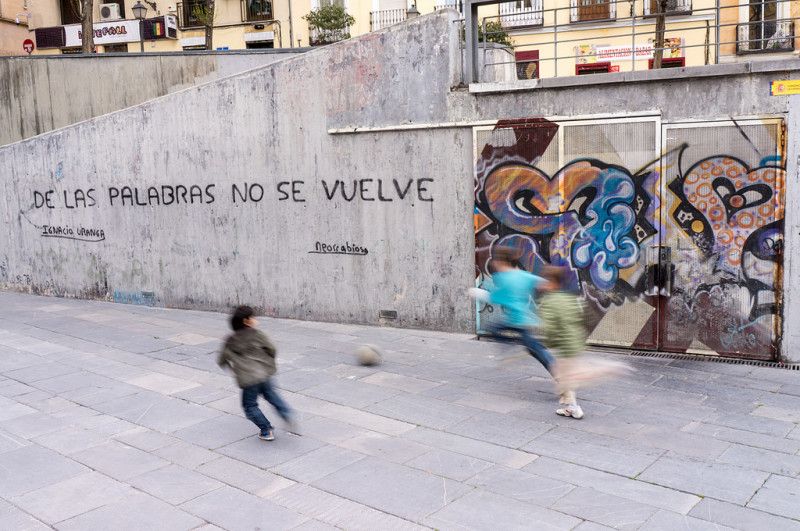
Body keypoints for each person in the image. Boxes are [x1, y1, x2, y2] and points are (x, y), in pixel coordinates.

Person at [218, 305, 297, 441]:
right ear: (246, 321)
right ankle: (286, 413)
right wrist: (267, 360)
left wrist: (234, 370)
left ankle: (266, 430)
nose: (255, 319)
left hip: (248, 379)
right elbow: (272, 349)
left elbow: (221, 361)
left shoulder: (230, 341)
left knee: (249, 406)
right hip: (264, 374)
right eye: (253, 317)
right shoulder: (257, 334)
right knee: (272, 396)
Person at [471, 247, 555, 374]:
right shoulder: (523, 275)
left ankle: (516, 348)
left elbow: (495, 297)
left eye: (496, 263)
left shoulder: (503, 278)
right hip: (522, 320)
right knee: (533, 347)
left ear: (500, 262)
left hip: (517, 320)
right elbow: (544, 284)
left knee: (532, 347)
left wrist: (478, 293)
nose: (495, 266)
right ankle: (553, 367)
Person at [538, 266, 587, 419]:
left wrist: (549, 343)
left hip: (565, 346)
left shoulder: (550, 301)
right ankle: (570, 406)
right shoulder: (568, 298)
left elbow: (550, 328)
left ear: (552, 282)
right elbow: (578, 318)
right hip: (574, 343)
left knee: (563, 377)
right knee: (565, 376)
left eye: (545, 281)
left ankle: (574, 408)